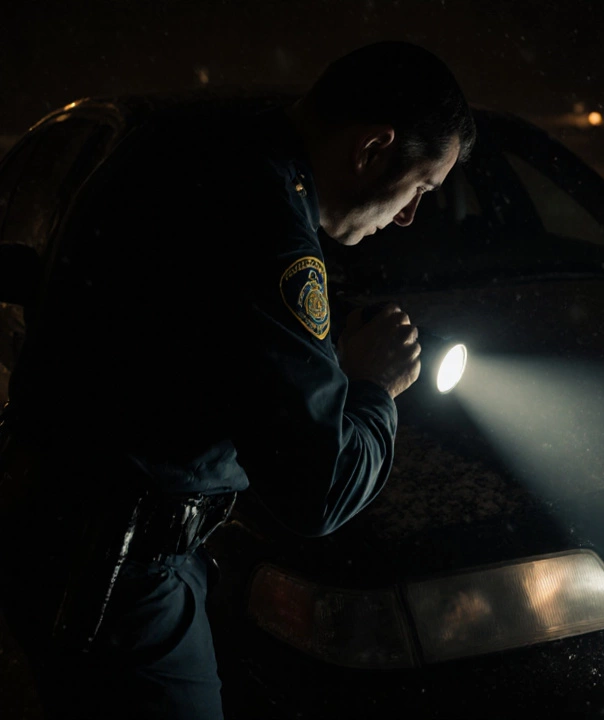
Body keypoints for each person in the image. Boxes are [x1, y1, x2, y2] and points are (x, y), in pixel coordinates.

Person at [0, 41, 475, 719]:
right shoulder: (269, 219)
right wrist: (373, 385)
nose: (408, 217)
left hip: (60, 531)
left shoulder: (192, 146)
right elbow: (320, 491)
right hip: (118, 573)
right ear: (372, 148)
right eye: (421, 189)